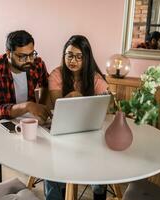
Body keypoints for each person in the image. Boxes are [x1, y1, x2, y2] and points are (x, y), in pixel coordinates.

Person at [0, 30, 52, 189]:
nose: (29, 60)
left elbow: (47, 84)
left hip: (28, 113)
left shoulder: (37, 63)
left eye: (31, 54)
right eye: (22, 57)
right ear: (8, 53)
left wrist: (44, 106)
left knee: (48, 145)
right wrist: (28, 105)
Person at [47, 35, 108, 200]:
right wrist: (75, 95)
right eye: (69, 55)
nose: (73, 60)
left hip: (89, 131)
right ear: (64, 55)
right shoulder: (56, 75)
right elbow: (57, 106)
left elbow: (105, 107)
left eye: (79, 56)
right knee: (52, 164)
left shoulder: (95, 78)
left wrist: (78, 96)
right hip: (62, 129)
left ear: (86, 58)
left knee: (100, 158)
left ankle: (99, 192)